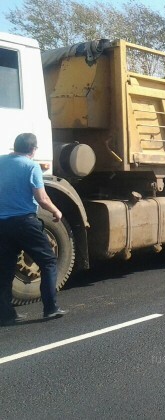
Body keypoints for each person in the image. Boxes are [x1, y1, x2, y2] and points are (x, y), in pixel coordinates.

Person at [0, 133, 67, 326]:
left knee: (4, 269)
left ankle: (6, 314)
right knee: (48, 262)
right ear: (33, 149)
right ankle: (51, 308)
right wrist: (57, 211)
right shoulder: (31, 166)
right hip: (24, 223)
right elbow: (42, 198)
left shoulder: (1, 161)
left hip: (2, 225)